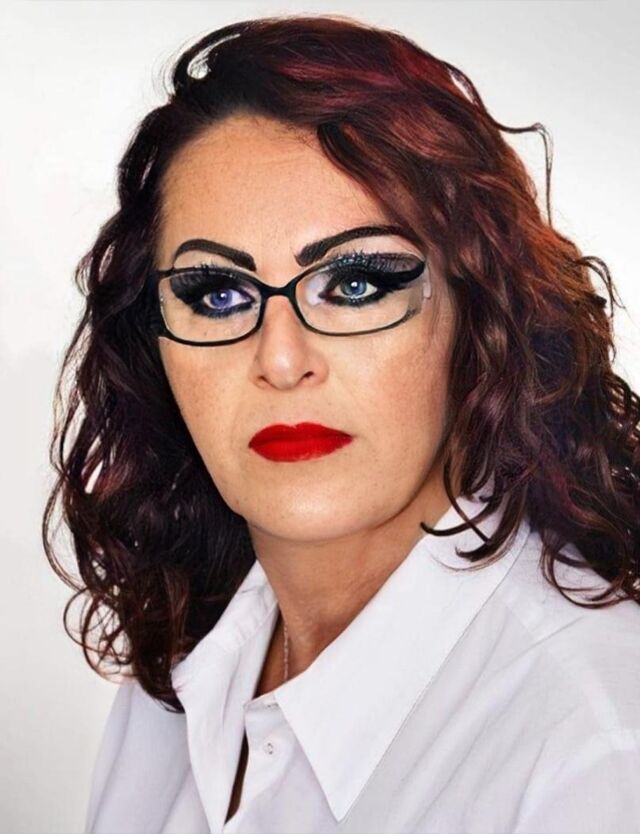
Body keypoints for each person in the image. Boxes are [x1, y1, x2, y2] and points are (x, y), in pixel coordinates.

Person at [42, 13, 640, 834]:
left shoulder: (598, 748)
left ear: (481, 314)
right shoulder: (180, 684)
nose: (281, 359)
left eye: (355, 284)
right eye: (218, 294)